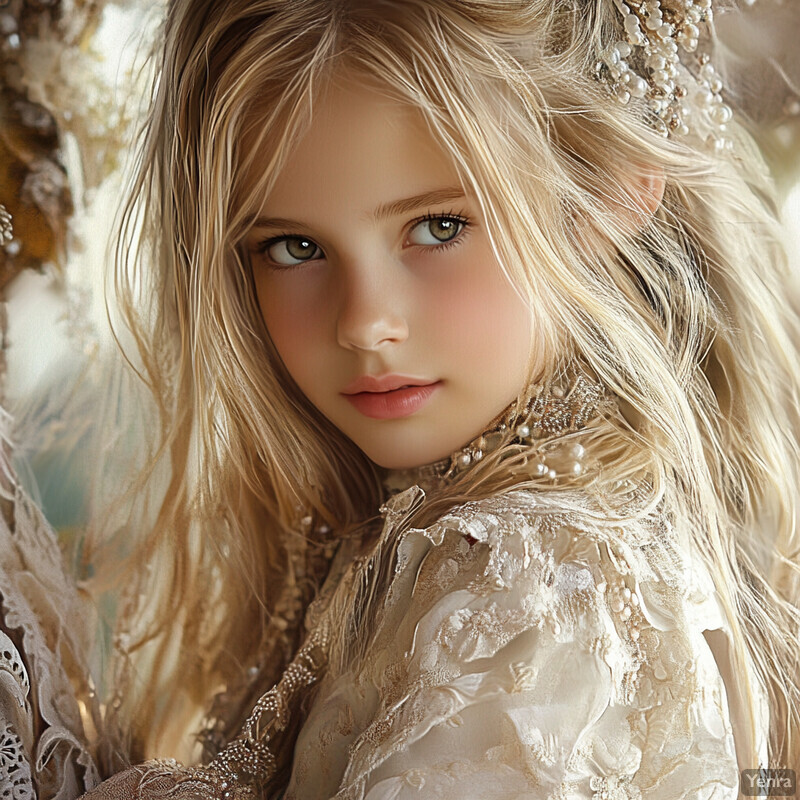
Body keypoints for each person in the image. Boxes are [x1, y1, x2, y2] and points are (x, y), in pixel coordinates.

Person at [2, 0, 800, 798]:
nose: (364, 323)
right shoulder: (413, 528)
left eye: (439, 227)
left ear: (608, 194)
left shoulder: (535, 591)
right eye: (295, 246)